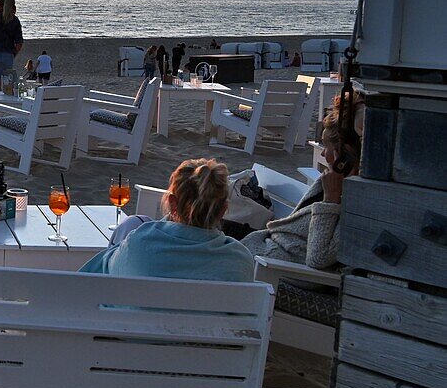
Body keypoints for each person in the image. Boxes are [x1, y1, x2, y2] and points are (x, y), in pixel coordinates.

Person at [241, 95, 365, 269]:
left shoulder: (357, 204)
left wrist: (330, 199)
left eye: (325, 146)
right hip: (265, 247)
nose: (322, 155)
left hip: (271, 266)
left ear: (342, 154)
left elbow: (318, 258)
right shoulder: (333, 182)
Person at [81, 158, 253, 282]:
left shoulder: (139, 244)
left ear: (172, 203)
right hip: (204, 332)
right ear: (223, 210)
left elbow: (93, 278)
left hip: (135, 331)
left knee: (132, 224)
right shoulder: (239, 260)